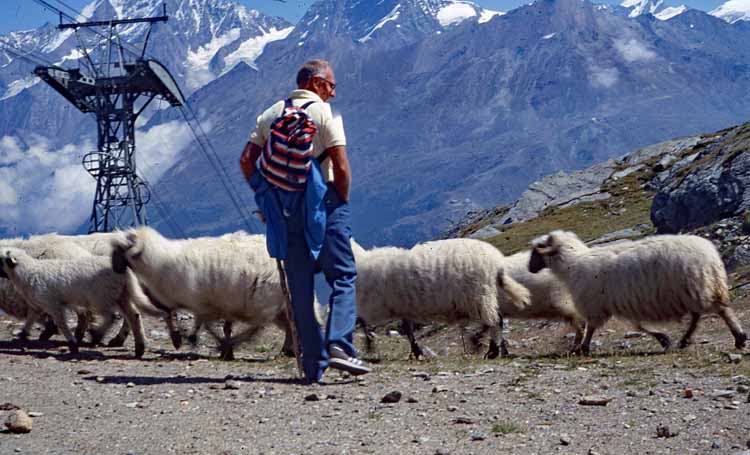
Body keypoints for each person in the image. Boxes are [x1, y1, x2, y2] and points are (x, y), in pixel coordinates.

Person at [240, 59, 370, 384]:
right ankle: (340, 344)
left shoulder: (270, 114)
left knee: (300, 291)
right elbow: (340, 165)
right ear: (314, 83)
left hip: (284, 209)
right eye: (330, 85)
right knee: (342, 276)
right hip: (323, 202)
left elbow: (246, 161)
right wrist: (340, 201)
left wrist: (263, 196)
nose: (333, 92)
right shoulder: (325, 113)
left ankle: (313, 368)